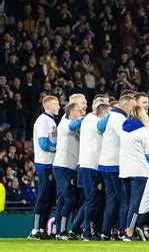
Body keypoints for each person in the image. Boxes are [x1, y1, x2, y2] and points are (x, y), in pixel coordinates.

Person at [119, 105, 149, 241]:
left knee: (126, 203)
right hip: (139, 171)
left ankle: (123, 231)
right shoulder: (144, 131)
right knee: (135, 204)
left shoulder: (122, 129)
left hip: (124, 170)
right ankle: (129, 233)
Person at [97, 94, 136, 239]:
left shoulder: (110, 115)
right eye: (132, 106)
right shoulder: (120, 118)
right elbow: (126, 137)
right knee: (124, 200)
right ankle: (123, 232)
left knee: (112, 200)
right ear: (125, 105)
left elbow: (99, 127)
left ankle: (105, 232)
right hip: (115, 164)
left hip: (105, 163)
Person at [77, 100, 110, 241]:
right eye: (107, 114)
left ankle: (93, 231)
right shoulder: (92, 119)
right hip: (89, 166)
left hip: (92, 165)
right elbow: (100, 126)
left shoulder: (90, 119)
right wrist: (113, 115)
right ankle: (87, 232)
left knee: (95, 200)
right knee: (91, 201)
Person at [28, 95, 60, 240]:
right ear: (47, 106)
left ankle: (41, 228)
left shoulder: (51, 121)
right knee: (42, 198)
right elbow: (44, 144)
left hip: (51, 164)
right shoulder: (43, 121)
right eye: (56, 104)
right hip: (44, 164)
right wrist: (60, 147)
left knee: (48, 199)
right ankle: (34, 230)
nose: (59, 106)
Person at [52, 101, 84, 239]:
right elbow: (72, 124)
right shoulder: (64, 123)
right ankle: (61, 231)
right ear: (71, 112)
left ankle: (63, 230)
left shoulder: (74, 125)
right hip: (62, 166)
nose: (80, 112)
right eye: (78, 110)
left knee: (71, 200)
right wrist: (87, 117)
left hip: (70, 167)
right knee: (69, 200)